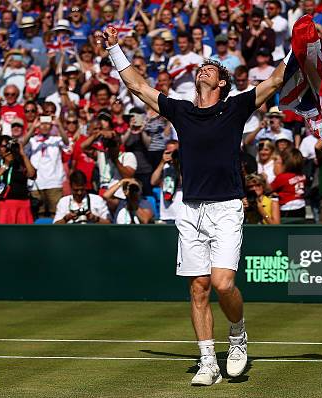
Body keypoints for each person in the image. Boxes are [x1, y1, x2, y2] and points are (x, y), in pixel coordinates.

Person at [100, 23, 286, 385]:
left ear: (220, 83)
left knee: (222, 283)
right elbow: (137, 85)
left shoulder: (235, 107)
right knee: (198, 287)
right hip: (190, 209)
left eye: (211, 68)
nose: (204, 68)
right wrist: (114, 50)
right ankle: (207, 362)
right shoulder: (182, 110)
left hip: (227, 206)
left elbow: (276, 81)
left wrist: (298, 46)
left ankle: (237, 335)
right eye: (202, 66)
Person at [23, 115, 70, 217]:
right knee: (38, 214)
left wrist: (59, 126)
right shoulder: (33, 140)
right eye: (42, 124)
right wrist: (33, 127)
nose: (44, 127)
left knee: (56, 214)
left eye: (47, 124)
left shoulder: (56, 139)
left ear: (51, 125)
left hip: (54, 183)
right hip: (36, 184)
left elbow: (67, 142)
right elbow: (22, 144)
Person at [0, 135, 36, 224]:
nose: (6, 149)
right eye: (2, 146)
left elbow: (32, 174)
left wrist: (23, 155)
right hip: (2, 205)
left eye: (8, 146)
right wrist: (5, 165)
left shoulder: (21, 163)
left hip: (21, 205)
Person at [150, 140, 183, 224]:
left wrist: (177, 163)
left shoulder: (184, 166)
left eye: (174, 152)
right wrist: (162, 162)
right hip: (165, 215)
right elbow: (153, 181)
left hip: (181, 215)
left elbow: (183, 182)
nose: (172, 155)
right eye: (169, 152)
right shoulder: (164, 166)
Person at [270, 149, 306, 219]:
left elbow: (269, 189)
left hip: (288, 208)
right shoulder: (302, 176)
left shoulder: (282, 177)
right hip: (301, 207)